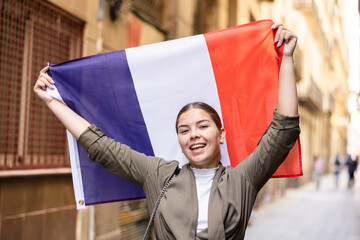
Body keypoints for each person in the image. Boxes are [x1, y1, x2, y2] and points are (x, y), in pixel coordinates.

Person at [34, 23, 300, 240]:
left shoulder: (242, 179)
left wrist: (286, 58)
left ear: (221, 134)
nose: (193, 134)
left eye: (202, 126)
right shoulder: (159, 175)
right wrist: (52, 101)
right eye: (184, 130)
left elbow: (283, 131)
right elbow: (102, 148)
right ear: (180, 140)